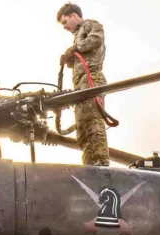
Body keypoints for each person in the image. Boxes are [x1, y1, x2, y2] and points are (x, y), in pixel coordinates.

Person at [57, 3, 110, 166]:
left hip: (91, 79)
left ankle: (100, 166)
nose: (65, 27)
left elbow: (96, 40)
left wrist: (74, 48)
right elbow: (79, 59)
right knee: (83, 129)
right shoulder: (79, 35)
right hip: (80, 84)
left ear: (74, 15)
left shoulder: (91, 25)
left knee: (92, 122)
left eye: (65, 22)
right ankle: (89, 166)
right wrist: (69, 59)